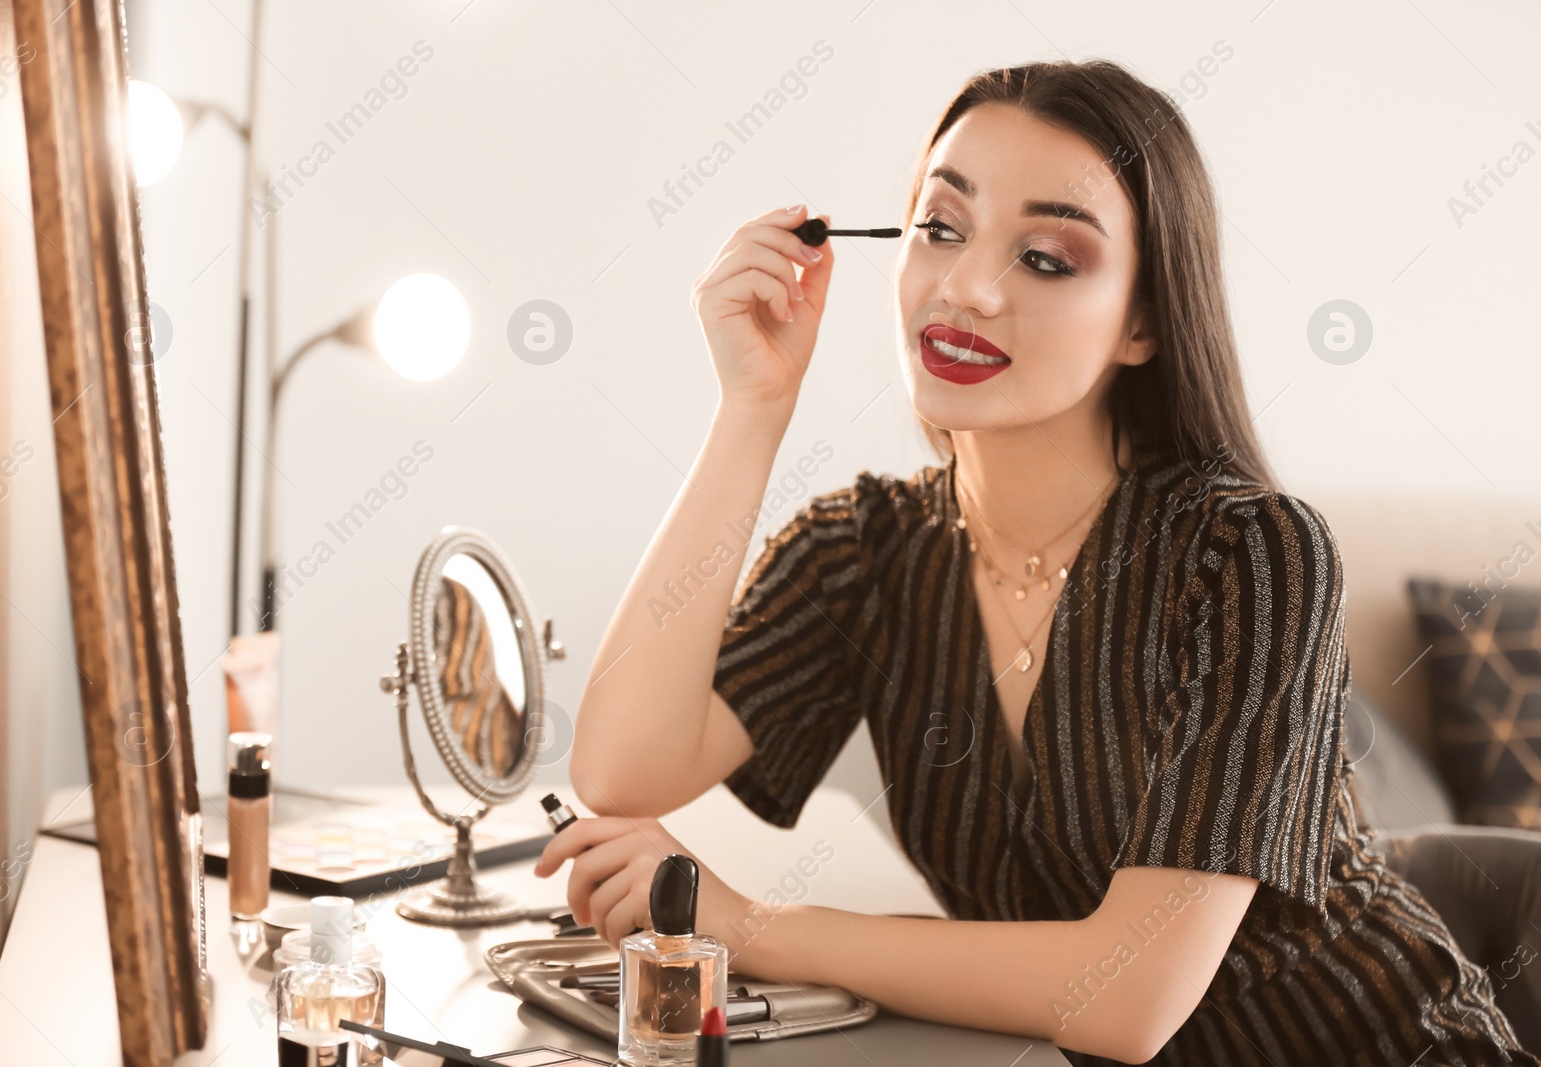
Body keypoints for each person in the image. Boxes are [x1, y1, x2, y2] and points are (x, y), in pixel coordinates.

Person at [537, 60, 1536, 1065]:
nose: (966, 286)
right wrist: (752, 408)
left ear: (1143, 321)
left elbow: (1129, 998)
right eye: (939, 227)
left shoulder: (1252, 554)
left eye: (1047, 258)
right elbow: (622, 769)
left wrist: (752, 923)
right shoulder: (864, 552)